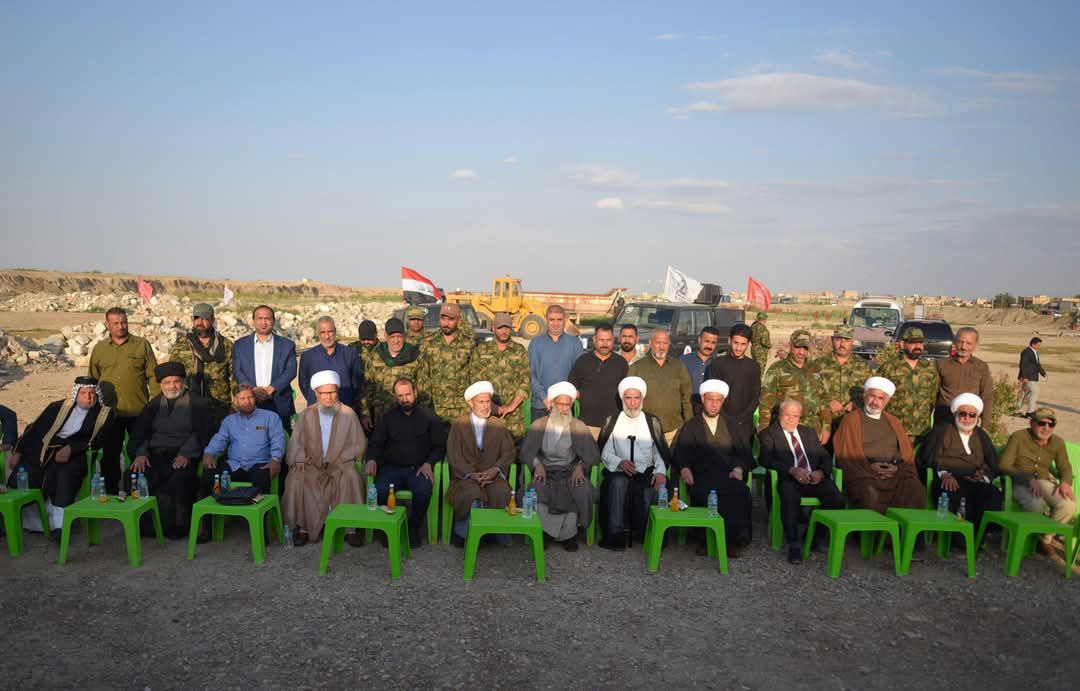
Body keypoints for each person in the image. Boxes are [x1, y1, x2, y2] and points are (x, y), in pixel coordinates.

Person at [5, 377, 114, 538]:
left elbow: (100, 439)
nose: (88, 397)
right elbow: (34, 428)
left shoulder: (104, 414)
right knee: (25, 472)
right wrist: (18, 451)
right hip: (44, 452)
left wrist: (72, 448)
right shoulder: (57, 407)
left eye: (92, 393)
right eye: (83, 393)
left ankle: (60, 526)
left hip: (76, 454)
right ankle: (20, 522)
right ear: (76, 393)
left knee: (65, 476)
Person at [127, 362, 214, 539]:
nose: (172, 386)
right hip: (154, 455)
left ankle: (175, 527)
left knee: (180, 478)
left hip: (183, 454)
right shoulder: (152, 405)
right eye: (167, 382)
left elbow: (202, 433)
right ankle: (146, 526)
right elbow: (141, 433)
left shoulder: (198, 404)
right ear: (161, 384)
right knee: (134, 475)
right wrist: (141, 453)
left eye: (176, 381)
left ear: (183, 382)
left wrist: (186, 454)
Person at [283, 370, 367, 547]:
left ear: (337, 391)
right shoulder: (306, 414)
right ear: (316, 393)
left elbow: (358, 443)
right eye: (324, 393)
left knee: (351, 476)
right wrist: (299, 458)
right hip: (313, 463)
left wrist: (343, 457)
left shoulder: (348, 414)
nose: (329, 397)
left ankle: (350, 529)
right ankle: (304, 528)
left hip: (339, 464)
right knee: (297, 476)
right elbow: (296, 441)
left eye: (332, 392)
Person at [673, 379, 753, 557]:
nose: (714, 404)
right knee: (703, 492)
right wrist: (684, 468)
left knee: (739, 491)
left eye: (718, 400)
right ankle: (705, 539)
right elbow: (681, 451)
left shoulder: (732, 425)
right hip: (702, 475)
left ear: (723, 401)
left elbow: (744, 453)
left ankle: (731, 541)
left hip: (729, 474)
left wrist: (739, 468)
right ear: (703, 399)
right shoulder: (692, 425)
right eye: (710, 400)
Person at [760, 399, 844, 564]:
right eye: (787, 415)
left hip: (814, 477)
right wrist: (791, 470)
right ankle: (794, 543)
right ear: (779, 415)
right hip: (790, 479)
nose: (791, 420)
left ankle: (813, 537)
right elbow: (765, 459)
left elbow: (825, 456)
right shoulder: (769, 434)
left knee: (837, 500)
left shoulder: (808, 432)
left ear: (800, 417)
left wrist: (822, 472)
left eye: (795, 416)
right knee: (789, 495)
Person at [364, 377, 444, 547]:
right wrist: (371, 459)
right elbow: (376, 443)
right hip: (392, 469)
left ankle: (412, 527)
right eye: (400, 396)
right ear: (395, 397)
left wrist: (429, 463)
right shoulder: (387, 418)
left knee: (423, 491)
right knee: (380, 489)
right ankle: (388, 527)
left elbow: (439, 446)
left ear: (415, 393)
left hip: (419, 468)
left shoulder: (429, 417)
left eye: (408, 394)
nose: (405, 399)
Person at [518, 382, 598, 551]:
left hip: (570, 472)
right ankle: (544, 532)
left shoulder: (578, 426)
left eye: (567, 404)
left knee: (581, 489)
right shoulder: (539, 425)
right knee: (536, 489)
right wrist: (537, 465)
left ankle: (570, 535)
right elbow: (526, 452)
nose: (564, 409)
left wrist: (580, 467)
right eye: (560, 404)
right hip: (545, 472)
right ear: (552, 404)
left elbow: (592, 454)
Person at [89, 306, 159, 493]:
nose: (121, 326)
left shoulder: (141, 345)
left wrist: (156, 405)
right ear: (107, 324)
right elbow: (92, 380)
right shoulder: (100, 349)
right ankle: (111, 494)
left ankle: (139, 492)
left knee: (140, 453)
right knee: (110, 455)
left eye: (124, 322)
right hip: (110, 413)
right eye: (116, 323)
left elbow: (153, 376)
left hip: (139, 412)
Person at [596, 376, 670, 550]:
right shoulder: (612, 421)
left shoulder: (652, 421)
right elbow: (604, 451)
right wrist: (620, 462)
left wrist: (660, 472)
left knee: (657, 486)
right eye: (628, 398)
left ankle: (651, 534)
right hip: (620, 471)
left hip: (647, 471)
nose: (632, 403)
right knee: (618, 484)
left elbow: (659, 452)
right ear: (623, 399)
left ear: (642, 399)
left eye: (636, 398)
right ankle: (615, 534)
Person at [833, 377, 924, 513]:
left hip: (894, 473)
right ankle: (872, 527)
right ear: (865, 396)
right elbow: (847, 455)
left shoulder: (894, 422)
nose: (875, 402)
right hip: (864, 473)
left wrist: (896, 468)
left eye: (881, 398)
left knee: (914, 489)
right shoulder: (851, 420)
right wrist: (870, 467)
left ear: (887, 401)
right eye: (872, 396)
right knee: (868, 493)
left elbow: (905, 454)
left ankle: (903, 527)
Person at [918, 393, 1001, 535]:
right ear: (955, 414)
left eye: (972, 415)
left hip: (975, 481)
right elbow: (927, 458)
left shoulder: (982, 436)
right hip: (949, 480)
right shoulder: (941, 431)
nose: (967, 418)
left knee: (992, 494)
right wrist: (944, 474)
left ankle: (978, 536)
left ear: (977, 417)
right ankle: (957, 537)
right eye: (963, 414)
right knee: (954, 495)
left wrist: (983, 476)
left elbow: (992, 463)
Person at [445, 381, 516, 547]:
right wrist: (472, 474)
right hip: (466, 477)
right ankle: (464, 535)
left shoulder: (498, 425)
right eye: (481, 402)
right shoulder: (458, 425)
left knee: (500, 491)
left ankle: (495, 533)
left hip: (493, 476)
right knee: (471, 493)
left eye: (488, 402)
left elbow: (509, 452)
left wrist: (495, 470)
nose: (485, 406)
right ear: (471, 403)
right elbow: (454, 456)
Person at [999, 407, 1076, 557]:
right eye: (1042, 423)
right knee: (1036, 503)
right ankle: (1025, 538)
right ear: (1032, 423)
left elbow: (1065, 467)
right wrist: (1028, 479)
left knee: (1068, 505)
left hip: (1043, 482)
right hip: (1019, 481)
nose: (1046, 428)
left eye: (1051, 424)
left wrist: (1065, 482)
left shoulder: (1057, 442)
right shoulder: (1019, 436)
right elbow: (1004, 465)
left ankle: (1045, 538)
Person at [199, 383, 285, 498]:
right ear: (235, 401)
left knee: (261, 480)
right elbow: (219, 440)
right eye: (242, 398)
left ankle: (259, 510)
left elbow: (277, 439)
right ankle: (212, 509)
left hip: (260, 464)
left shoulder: (270, 417)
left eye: (250, 397)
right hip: (234, 465)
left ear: (255, 398)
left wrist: (276, 459)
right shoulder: (229, 421)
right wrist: (209, 453)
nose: (247, 401)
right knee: (209, 477)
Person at [232, 304, 297, 433]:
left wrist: (273, 387)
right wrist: (253, 390)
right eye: (260, 318)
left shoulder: (287, 345)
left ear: (273, 321)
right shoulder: (240, 345)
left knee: (281, 436)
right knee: (253, 436)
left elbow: (291, 370)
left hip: (279, 401)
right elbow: (237, 371)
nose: (263, 322)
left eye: (267, 318)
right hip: (251, 401)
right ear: (253, 321)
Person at [758, 329, 830, 442]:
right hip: (786, 429)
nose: (801, 352)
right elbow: (766, 401)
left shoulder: (816, 368)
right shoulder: (777, 369)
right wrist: (764, 427)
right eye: (798, 347)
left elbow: (824, 399)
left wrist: (826, 426)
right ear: (790, 345)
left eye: (805, 348)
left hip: (813, 429)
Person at [469, 312, 530, 442]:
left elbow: (525, 381)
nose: (504, 331)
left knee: (513, 448)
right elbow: (475, 381)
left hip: (513, 415)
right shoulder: (481, 350)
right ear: (493, 328)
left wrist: (512, 406)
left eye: (507, 327)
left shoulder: (519, 350)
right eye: (500, 327)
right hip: (486, 411)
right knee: (487, 447)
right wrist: (491, 405)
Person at [168, 302, 234, 422]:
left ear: (212, 320)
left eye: (204, 318)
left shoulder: (225, 345)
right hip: (188, 406)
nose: (200, 322)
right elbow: (172, 375)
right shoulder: (181, 345)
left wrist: (236, 406)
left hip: (219, 408)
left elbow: (235, 377)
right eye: (196, 318)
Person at [629, 328, 692, 446]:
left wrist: (689, 426)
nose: (661, 347)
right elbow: (628, 400)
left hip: (674, 431)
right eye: (658, 342)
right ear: (650, 343)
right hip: (646, 432)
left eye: (665, 343)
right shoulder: (637, 368)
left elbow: (686, 399)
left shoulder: (679, 367)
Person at [878, 327, 940, 447]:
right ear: (902, 344)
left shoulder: (930, 368)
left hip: (922, 431)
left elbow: (933, 397)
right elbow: (877, 395)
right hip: (896, 429)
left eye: (920, 342)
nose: (917, 346)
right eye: (913, 342)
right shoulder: (890, 367)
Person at [417, 303, 475, 427]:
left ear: (458, 320)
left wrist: (472, 404)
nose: (446, 323)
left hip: (461, 408)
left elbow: (473, 375)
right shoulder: (428, 342)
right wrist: (425, 407)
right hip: (436, 408)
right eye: (443, 318)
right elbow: (423, 377)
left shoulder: (468, 343)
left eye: (450, 319)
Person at [808, 325, 872, 438]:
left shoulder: (863, 366)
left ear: (852, 341)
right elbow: (809, 392)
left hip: (853, 423)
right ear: (832, 340)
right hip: (825, 423)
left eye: (846, 340)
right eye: (838, 339)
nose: (842, 344)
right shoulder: (817, 365)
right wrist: (827, 403)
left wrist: (857, 403)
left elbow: (871, 392)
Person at [708, 323, 761, 455]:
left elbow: (755, 396)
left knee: (743, 461)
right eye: (735, 343)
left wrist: (742, 418)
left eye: (743, 344)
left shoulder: (753, 367)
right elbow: (713, 394)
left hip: (744, 424)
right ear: (729, 340)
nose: (738, 347)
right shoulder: (717, 364)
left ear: (749, 344)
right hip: (721, 421)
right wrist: (725, 418)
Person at [568, 324, 628, 439]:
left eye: (608, 340)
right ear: (594, 339)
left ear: (613, 340)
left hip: (614, 426)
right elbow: (571, 388)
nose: (605, 344)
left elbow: (627, 393)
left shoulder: (621, 363)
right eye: (601, 340)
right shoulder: (582, 361)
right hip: (587, 425)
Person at [361, 318, 423, 429]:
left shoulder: (414, 356)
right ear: (385, 336)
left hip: (408, 417)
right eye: (392, 337)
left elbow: (423, 390)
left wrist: (422, 417)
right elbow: (367, 388)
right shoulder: (376, 357)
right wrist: (365, 414)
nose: (396, 340)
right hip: (382, 417)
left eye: (399, 336)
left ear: (404, 336)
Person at [527, 304, 584, 423]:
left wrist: (568, 397)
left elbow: (579, 374)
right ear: (546, 320)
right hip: (541, 405)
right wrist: (544, 398)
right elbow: (532, 374)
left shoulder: (575, 343)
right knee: (539, 435)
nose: (555, 323)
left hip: (565, 405)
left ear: (565, 320)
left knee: (565, 435)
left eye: (559, 320)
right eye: (552, 319)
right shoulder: (536, 343)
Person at [298, 316, 364, 412]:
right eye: (323, 332)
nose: (327, 336)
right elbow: (304, 385)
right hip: (316, 412)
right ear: (317, 333)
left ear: (335, 331)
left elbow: (357, 383)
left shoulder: (350, 354)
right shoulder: (307, 356)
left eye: (330, 331)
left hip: (344, 411)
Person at [935, 327, 993, 429]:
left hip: (969, 421)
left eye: (969, 343)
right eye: (960, 342)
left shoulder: (981, 367)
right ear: (954, 342)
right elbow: (932, 394)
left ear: (975, 345)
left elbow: (987, 396)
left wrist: (985, 426)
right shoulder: (942, 364)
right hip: (943, 420)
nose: (963, 347)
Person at [679, 326, 721, 415]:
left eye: (713, 343)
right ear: (699, 340)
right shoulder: (684, 361)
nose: (709, 346)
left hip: (710, 413)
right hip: (687, 411)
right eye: (707, 341)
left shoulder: (719, 364)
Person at [1016, 337, 1047, 418]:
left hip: (1031, 376)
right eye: (1038, 345)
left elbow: (1037, 365)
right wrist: (1025, 377)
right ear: (1033, 344)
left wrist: (1043, 373)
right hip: (1028, 377)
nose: (1039, 347)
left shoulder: (1034, 352)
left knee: (1024, 393)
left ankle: (1016, 411)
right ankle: (1030, 412)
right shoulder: (1026, 352)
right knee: (1034, 392)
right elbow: (1023, 365)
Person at [750, 311, 771, 376]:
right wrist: (770, 346)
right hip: (761, 352)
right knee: (760, 371)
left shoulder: (753, 326)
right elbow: (764, 342)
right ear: (764, 319)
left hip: (753, 349)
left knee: (754, 369)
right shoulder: (763, 328)